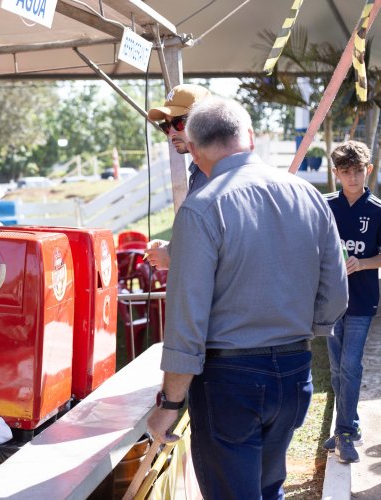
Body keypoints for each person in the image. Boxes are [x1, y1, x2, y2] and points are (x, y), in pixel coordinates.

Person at [145, 97, 348, 499]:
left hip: (230, 378)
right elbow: (336, 291)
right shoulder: (307, 195)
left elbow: (187, 318)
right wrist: (305, 329)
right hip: (294, 367)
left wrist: (170, 402)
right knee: (267, 488)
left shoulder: (202, 208)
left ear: (196, 149)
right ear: (250, 137)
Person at [322, 140, 381, 463]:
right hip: (331, 302)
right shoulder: (325, 206)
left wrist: (363, 263)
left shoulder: (377, 210)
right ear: (336, 174)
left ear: (367, 170)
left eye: (358, 171)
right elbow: (313, 247)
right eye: (346, 172)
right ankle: (349, 426)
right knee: (335, 367)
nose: (353, 178)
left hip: (362, 300)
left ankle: (345, 431)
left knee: (350, 365)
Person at [144, 83, 212, 270]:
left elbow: (228, 252)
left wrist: (174, 258)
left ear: (205, 121)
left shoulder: (217, 174)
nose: (171, 132)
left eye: (179, 122)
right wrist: (171, 249)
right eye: (166, 125)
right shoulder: (200, 172)